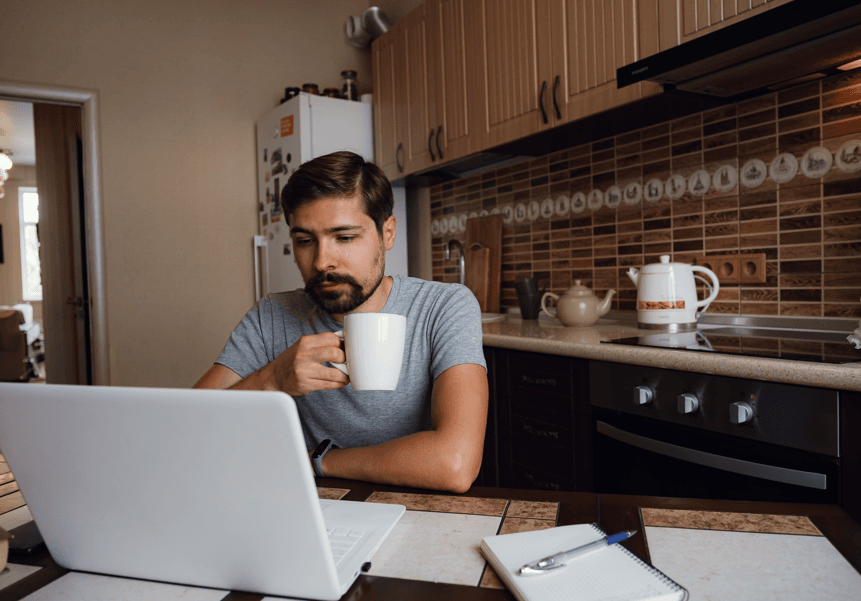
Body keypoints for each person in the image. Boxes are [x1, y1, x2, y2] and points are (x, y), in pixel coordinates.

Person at [195, 151, 488, 493]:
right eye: (305, 241)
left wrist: (319, 461)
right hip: (309, 510)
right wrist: (272, 379)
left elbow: (455, 463)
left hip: (416, 508)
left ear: (387, 233)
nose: (321, 262)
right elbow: (187, 429)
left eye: (345, 238)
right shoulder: (271, 316)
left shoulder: (444, 306)